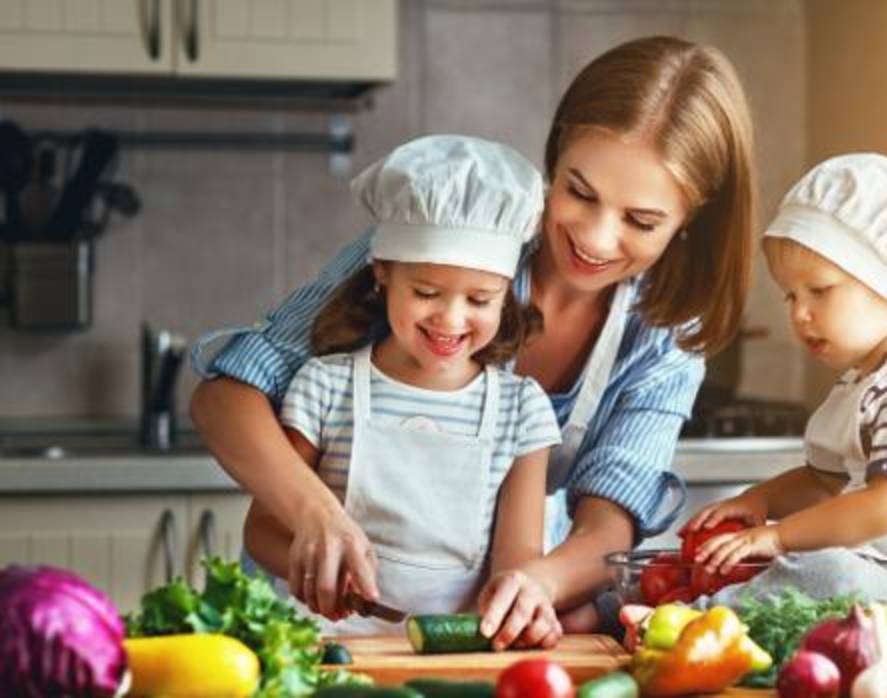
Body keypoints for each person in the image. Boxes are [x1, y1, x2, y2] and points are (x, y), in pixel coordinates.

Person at [188, 36, 756, 647]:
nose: (594, 237)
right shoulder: (442, 238)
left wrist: (535, 585)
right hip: (303, 621)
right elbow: (226, 397)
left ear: (690, 218)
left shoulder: (664, 337)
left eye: (641, 221)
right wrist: (316, 517)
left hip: (459, 631)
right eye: (579, 192)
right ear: (556, 153)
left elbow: (605, 527)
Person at [241, 135, 562, 634]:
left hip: (453, 650)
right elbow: (262, 530)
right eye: (426, 292)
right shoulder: (326, 387)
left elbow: (517, 560)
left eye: (480, 300)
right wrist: (316, 573)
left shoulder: (522, 410)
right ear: (382, 274)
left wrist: (511, 608)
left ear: (505, 296)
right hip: (326, 643)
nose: (451, 319)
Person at [683, 153, 887, 605]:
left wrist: (778, 538)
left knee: (828, 570)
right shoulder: (865, 382)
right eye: (791, 296)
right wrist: (759, 500)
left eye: (819, 290)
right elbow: (822, 484)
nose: (799, 314)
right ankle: (675, 603)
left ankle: (698, 617)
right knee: (802, 561)